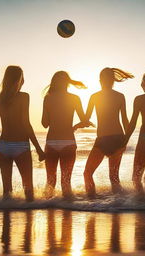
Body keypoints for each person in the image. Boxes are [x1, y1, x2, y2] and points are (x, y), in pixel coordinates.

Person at [0, 65, 44, 201]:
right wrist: (38, 148)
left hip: (4, 146)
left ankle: (6, 221)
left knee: (7, 190)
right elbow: (26, 123)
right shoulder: (24, 97)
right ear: (19, 79)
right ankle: (29, 221)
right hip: (21, 146)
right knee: (28, 189)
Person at [83, 68, 134, 198]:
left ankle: (92, 203)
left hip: (103, 139)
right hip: (118, 137)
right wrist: (126, 140)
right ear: (112, 80)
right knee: (114, 177)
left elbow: (86, 119)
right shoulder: (119, 96)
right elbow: (125, 120)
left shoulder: (94, 96)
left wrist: (78, 124)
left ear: (100, 80)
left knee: (87, 173)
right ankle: (118, 205)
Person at [42, 71, 91, 199]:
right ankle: (67, 215)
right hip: (68, 141)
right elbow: (84, 120)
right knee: (66, 183)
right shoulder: (74, 98)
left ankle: (49, 214)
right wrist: (75, 126)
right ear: (67, 82)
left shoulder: (48, 98)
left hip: (51, 142)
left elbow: (44, 123)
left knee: (50, 182)